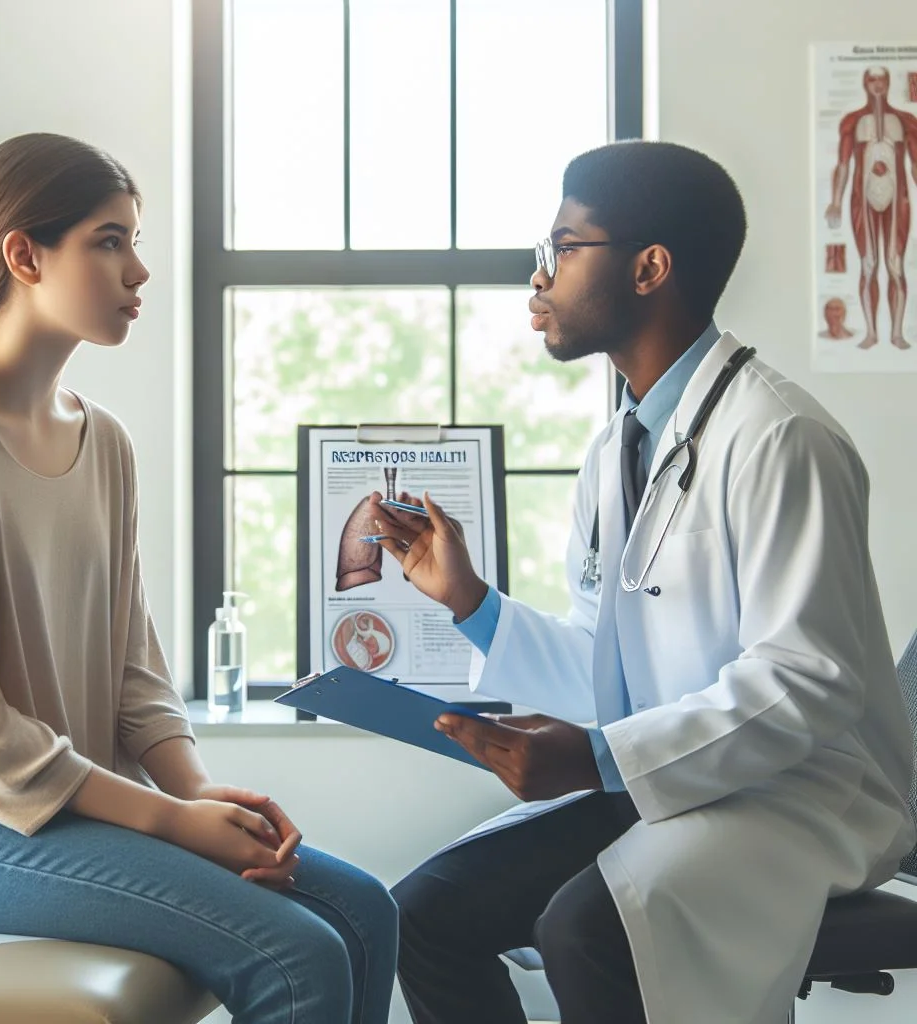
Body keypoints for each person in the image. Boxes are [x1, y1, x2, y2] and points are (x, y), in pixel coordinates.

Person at [370, 141, 915, 1024]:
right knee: (424, 913)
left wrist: (596, 756)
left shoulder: (782, 439)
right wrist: (469, 603)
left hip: (801, 793)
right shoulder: (616, 447)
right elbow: (605, 662)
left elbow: (806, 682)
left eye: (561, 248)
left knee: (592, 926)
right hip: (667, 776)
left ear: (650, 267)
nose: (537, 281)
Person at [0, 133, 397, 1024]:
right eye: (109, 240)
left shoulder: (106, 441)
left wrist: (195, 790)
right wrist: (168, 822)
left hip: (69, 816)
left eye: (134, 239)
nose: (140, 270)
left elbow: (136, 672)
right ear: (24, 255)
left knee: (366, 912)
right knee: (300, 955)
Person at [826, 66, 917, 350]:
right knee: (868, 265)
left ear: (888, 83)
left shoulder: (905, 121)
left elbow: (915, 163)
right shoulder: (853, 121)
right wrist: (836, 202)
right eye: (872, 79)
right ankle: (872, 333)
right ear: (866, 83)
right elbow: (842, 165)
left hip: (897, 198)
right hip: (862, 199)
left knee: (895, 265)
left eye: (882, 79)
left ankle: (897, 334)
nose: (877, 85)